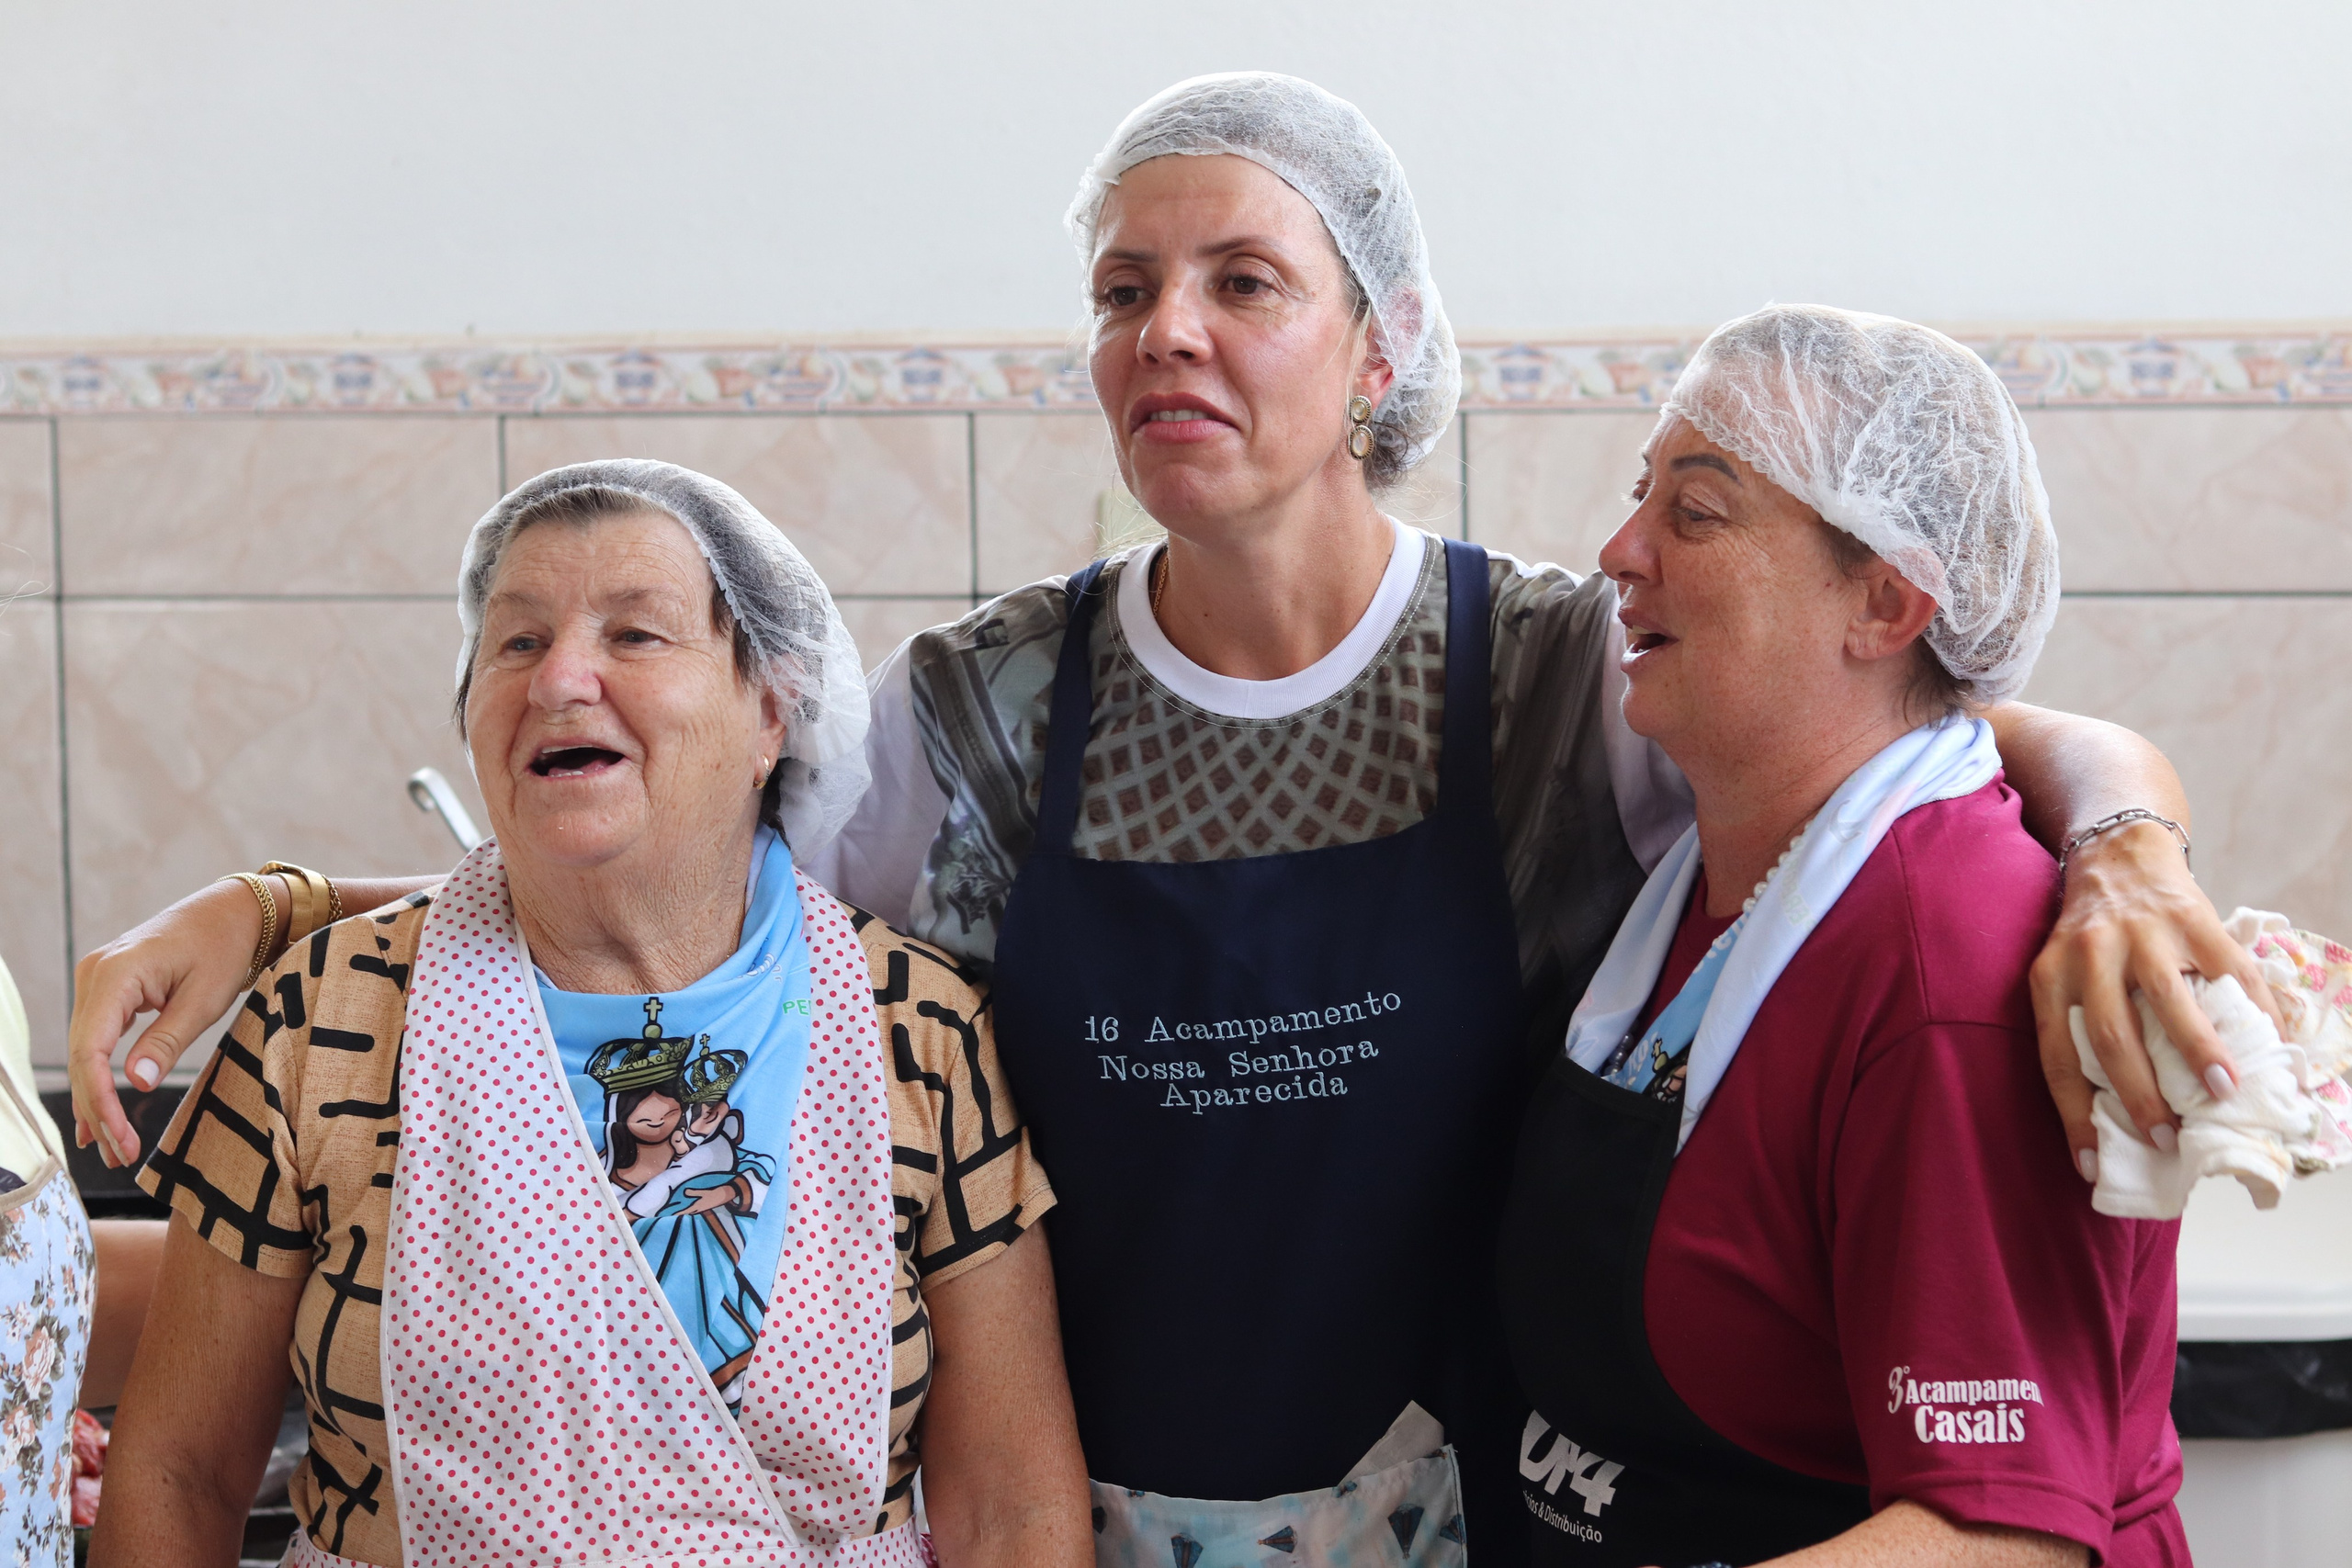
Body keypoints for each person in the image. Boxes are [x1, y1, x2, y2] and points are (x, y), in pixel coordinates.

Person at [68, 75, 2262, 1563]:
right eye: (1122, 290)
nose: (1165, 335)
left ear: (1378, 338)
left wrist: (2128, 845)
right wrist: (289, 911)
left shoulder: (1563, 682)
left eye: (1239, 281)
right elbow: (658, 884)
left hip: (1444, 1521)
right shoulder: (980, 709)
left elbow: (1934, 732)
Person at [89, 463, 1090, 1566]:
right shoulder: (321, 1021)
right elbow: (181, 1470)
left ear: (769, 713)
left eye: (636, 636)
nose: (562, 676)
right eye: (515, 642)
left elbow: (1011, 1506)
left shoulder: (919, 1031)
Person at [1500, 307, 2185, 1566]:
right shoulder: (1717, 866)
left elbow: (2000, 1536)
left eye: (1695, 513)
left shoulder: (1949, 964)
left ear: (1884, 599)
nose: (1618, 549)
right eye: (1638, 494)